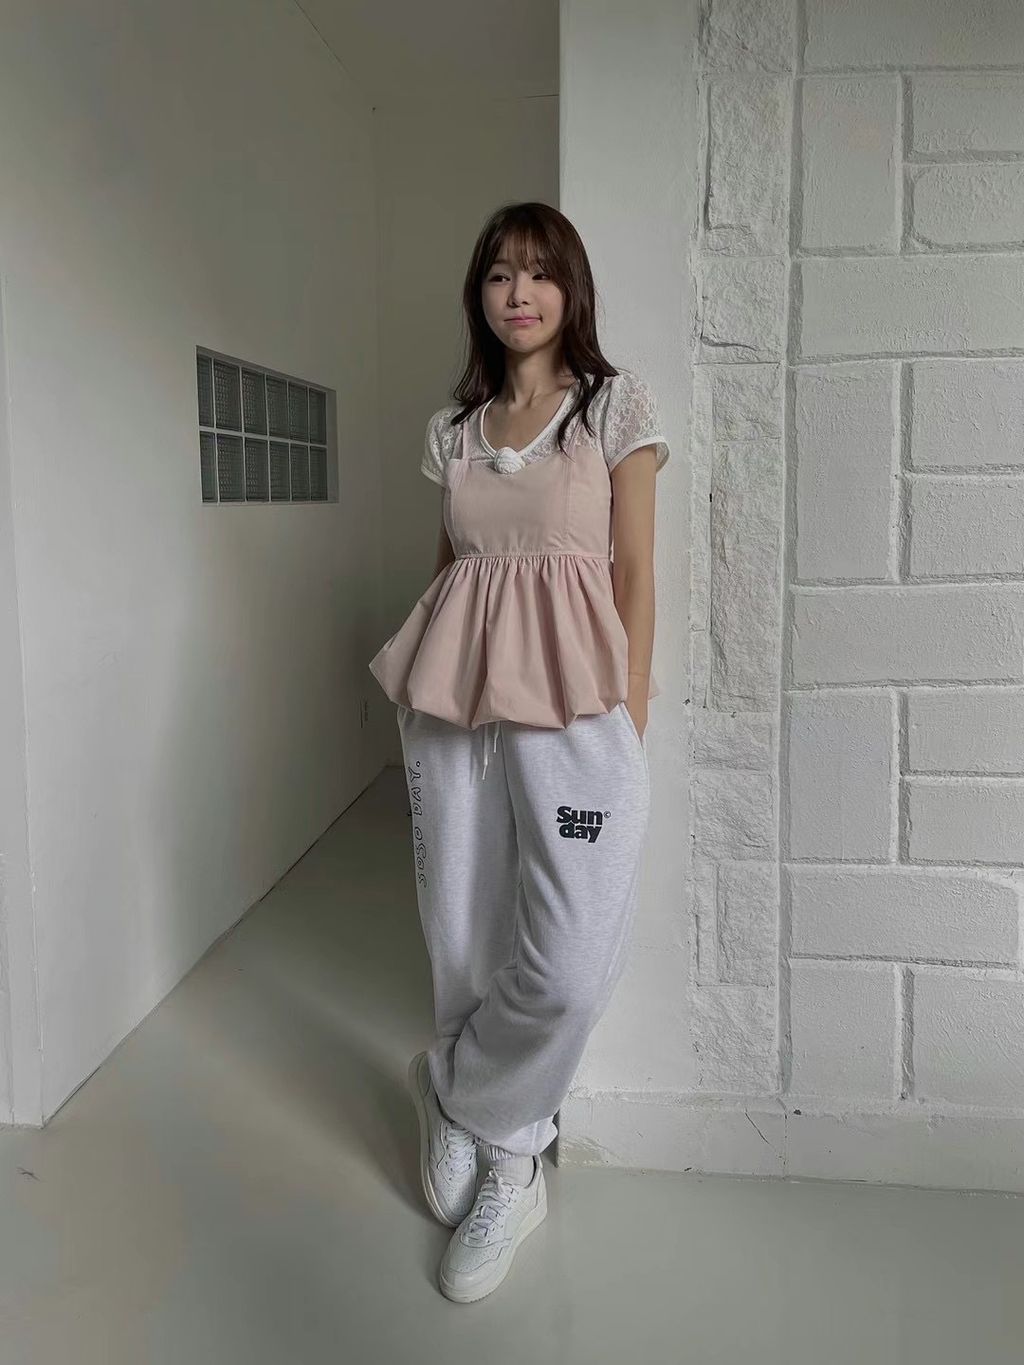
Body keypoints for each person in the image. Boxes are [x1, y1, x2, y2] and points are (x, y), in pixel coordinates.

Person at [367, 201, 670, 1304]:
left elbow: (634, 576)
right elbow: (453, 568)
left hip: (579, 710)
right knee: (462, 925)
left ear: (569, 288)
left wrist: (628, 720)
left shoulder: (613, 408)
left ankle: (466, 1098)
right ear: (480, 296)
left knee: (571, 961)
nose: (519, 292)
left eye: (539, 272)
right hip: (457, 707)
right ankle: (509, 1161)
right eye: (500, 274)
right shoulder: (455, 429)